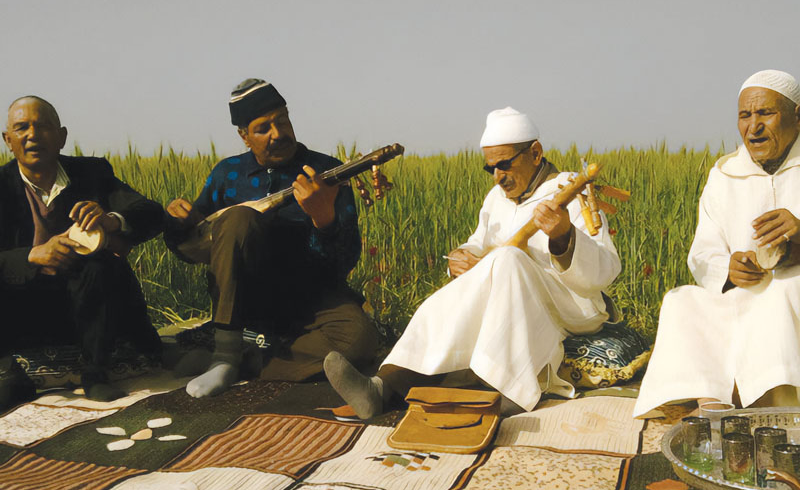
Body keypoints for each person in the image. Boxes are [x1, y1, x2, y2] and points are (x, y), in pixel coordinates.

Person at [324, 107, 621, 418]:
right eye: (490, 168)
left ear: (535, 153)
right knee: (452, 296)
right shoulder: (495, 198)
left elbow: (606, 271)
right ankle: (384, 387)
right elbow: (477, 243)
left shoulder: (568, 189)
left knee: (507, 259)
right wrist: (460, 258)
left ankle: (511, 389)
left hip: (570, 305)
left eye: (504, 165)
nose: (498, 177)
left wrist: (563, 235)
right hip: (507, 297)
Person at [164, 79, 377, 398]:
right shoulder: (227, 173)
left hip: (310, 298)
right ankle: (224, 354)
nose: (278, 134)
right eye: (264, 128)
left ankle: (245, 357)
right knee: (238, 216)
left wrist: (324, 218)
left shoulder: (326, 172)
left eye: (283, 120)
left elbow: (342, 265)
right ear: (244, 136)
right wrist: (179, 223)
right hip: (247, 300)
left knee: (360, 341)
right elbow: (194, 247)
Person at [634, 70, 800, 417]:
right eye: (745, 115)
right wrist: (728, 268)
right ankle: (713, 404)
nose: (753, 126)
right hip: (743, 291)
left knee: (783, 290)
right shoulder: (725, 173)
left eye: (765, 113)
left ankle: (774, 404)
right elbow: (704, 251)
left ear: (796, 115)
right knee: (682, 302)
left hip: (793, 289)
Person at [0, 96, 165, 408]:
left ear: (62, 136)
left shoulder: (92, 174)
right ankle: (8, 373)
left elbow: (151, 213)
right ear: (8, 140)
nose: (32, 135)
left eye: (43, 126)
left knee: (100, 261)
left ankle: (96, 373)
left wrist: (111, 220)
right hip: (21, 312)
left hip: (88, 307)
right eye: (21, 128)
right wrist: (32, 256)